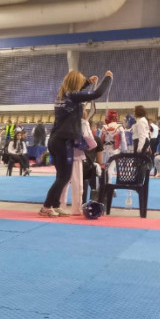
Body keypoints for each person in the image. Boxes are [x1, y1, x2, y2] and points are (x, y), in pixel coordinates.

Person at [40, 69, 112, 217]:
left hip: (55, 140)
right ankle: (46, 206)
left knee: (61, 176)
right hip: (63, 141)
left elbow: (77, 90)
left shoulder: (62, 95)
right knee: (64, 177)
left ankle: (55, 205)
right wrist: (108, 78)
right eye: (81, 82)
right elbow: (97, 94)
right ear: (76, 84)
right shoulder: (73, 96)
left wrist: (88, 82)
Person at [59, 107, 97, 215]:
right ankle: (76, 209)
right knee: (77, 184)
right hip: (75, 155)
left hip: (63, 154)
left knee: (62, 183)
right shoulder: (83, 122)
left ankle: (59, 206)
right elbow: (87, 136)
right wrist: (92, 145)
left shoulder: (63, 120)